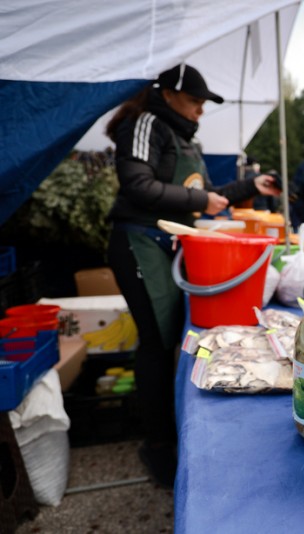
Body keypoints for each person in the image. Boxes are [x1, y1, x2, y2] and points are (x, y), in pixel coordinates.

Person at [105, 63, 280, 487]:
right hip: (139, 243)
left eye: (204, 103)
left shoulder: (185, 139)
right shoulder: (144, 123)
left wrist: (254, 186)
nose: (201, 110)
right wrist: (202, 198)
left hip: (167, 247)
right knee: (158, 341)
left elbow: (209, 198)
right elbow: (137, 185)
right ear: (168, 94)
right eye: (195, 100)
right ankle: (157, 445)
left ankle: (165, 431)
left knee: (167, 339)